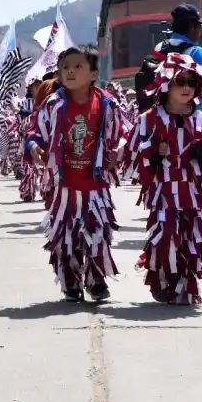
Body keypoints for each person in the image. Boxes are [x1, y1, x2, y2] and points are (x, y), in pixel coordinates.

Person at [121, 53, 202, 305]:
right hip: (164, 189)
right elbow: (133, 152)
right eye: (181, 81)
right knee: (166, 233)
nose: (186, 88)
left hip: (194, 191)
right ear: (166, 84)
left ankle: (187, 285)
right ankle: (162, 279)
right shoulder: (149, 118)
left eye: (192, 83)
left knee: (192, 239)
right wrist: (153, 149)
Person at [24, 45, 129, 302]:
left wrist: (120, 151)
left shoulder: (107, 104)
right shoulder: (53, 104)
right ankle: (70, 279)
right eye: (65, 67)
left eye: (78, 66)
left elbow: (125, 133)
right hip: (64, 185)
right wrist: (34, 146)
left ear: (93, 73)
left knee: (96, 232)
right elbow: (34, 132)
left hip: (95, 185)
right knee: (65, 235)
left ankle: (95, 279)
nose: (70, 71)